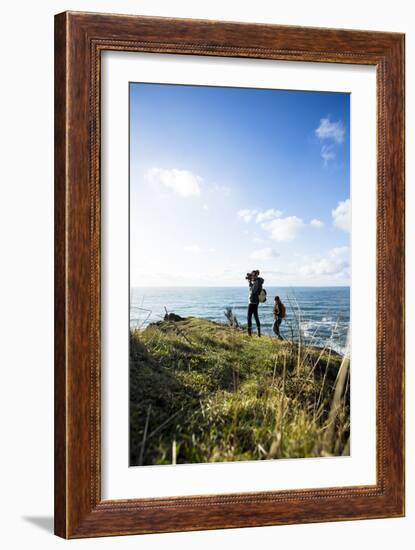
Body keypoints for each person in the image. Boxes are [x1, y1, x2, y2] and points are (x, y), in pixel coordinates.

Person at [247, 270, 264, 336]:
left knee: (249, 317)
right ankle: (259, 333)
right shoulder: (258, 281)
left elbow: (253, 291)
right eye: (252, 275)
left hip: (253, 301)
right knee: (255, 316)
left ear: (256, 275)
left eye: (253, 275)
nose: (252, 276)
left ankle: (249, 333)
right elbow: (253, 288)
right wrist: (250, 282)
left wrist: (251, 283)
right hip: (255, 301)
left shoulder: (257, 282)